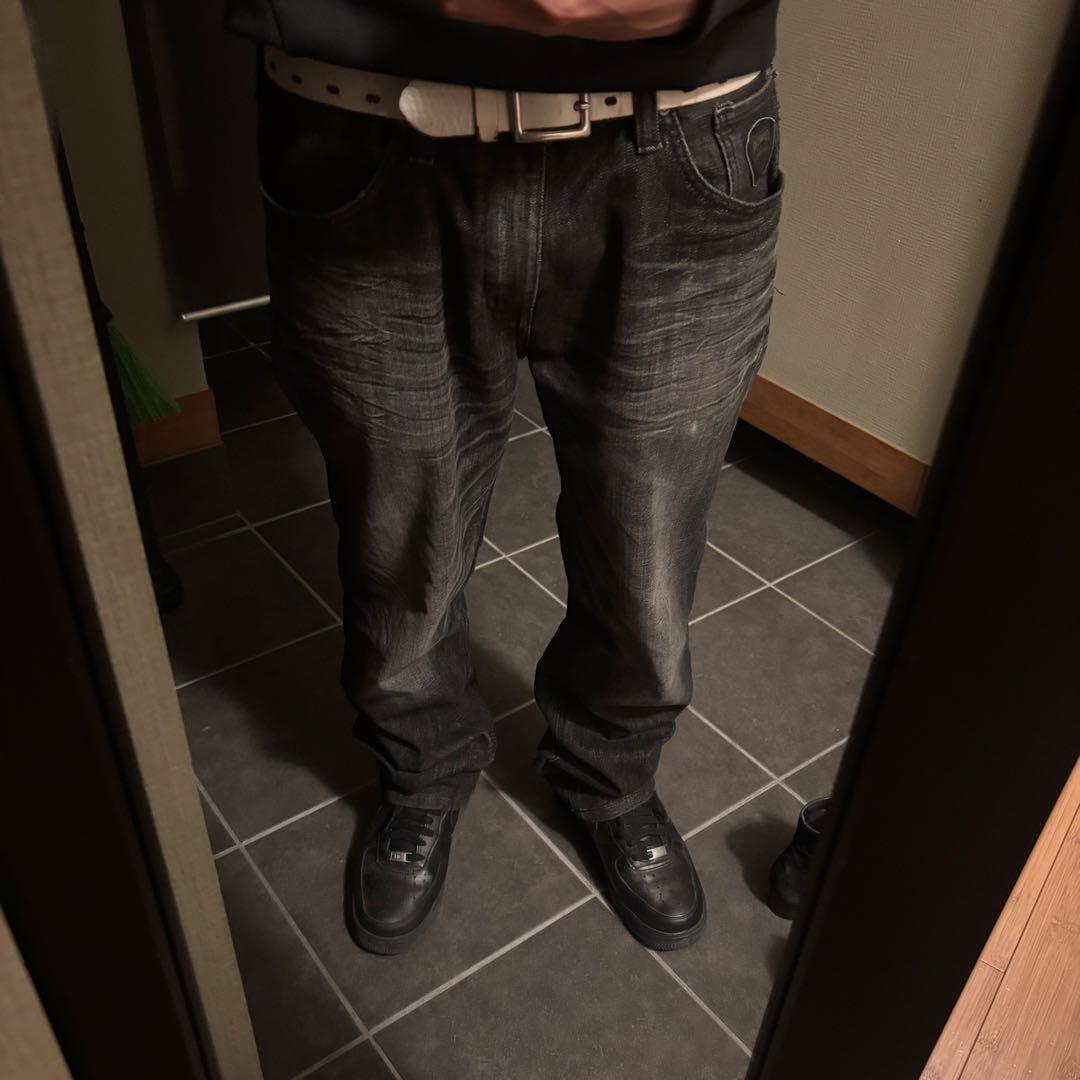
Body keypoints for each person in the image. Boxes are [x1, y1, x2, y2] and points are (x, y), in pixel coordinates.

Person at [226, 0, 784, 955]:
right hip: (361, 128)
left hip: (685, 137)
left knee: (648, 538)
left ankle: (612, 776)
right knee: (401, 531)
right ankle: (422, 768)